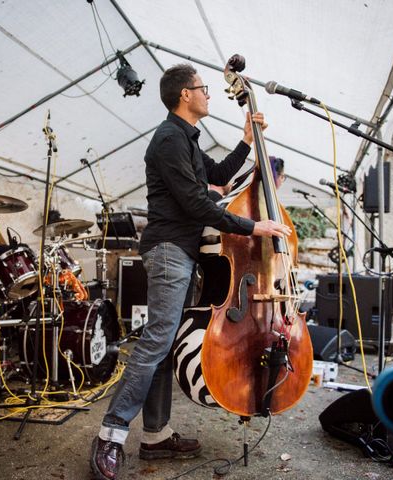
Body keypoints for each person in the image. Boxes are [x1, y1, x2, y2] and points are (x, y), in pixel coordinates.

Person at [90, 63, 291, 480]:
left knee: (162, 348)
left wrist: (246, 142)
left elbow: (215, 176)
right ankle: (110, 435)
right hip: (169, 251)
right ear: (186, 94)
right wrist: (254, 226)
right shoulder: (168, 139)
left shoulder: (184, 138)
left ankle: (155, 436)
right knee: (155, 343)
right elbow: (197, 205)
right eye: (203, 89)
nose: (208, 95)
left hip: (179, 251)